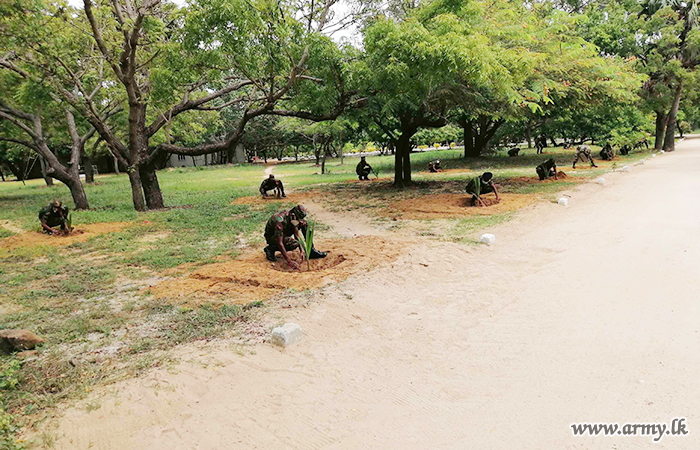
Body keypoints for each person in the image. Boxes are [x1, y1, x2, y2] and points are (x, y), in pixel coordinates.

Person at [263, 205, 327, 270]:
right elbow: (280, 242)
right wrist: (289, 261)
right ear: (293, 215)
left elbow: (296, 234)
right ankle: (270, 249)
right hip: (273, 237)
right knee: (293, 243)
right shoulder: (279, 220)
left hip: (285, 233)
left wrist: (301, 251)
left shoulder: (293, 218)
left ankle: (311, 251)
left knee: (304, 225)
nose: (299, 221)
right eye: (298, 219)